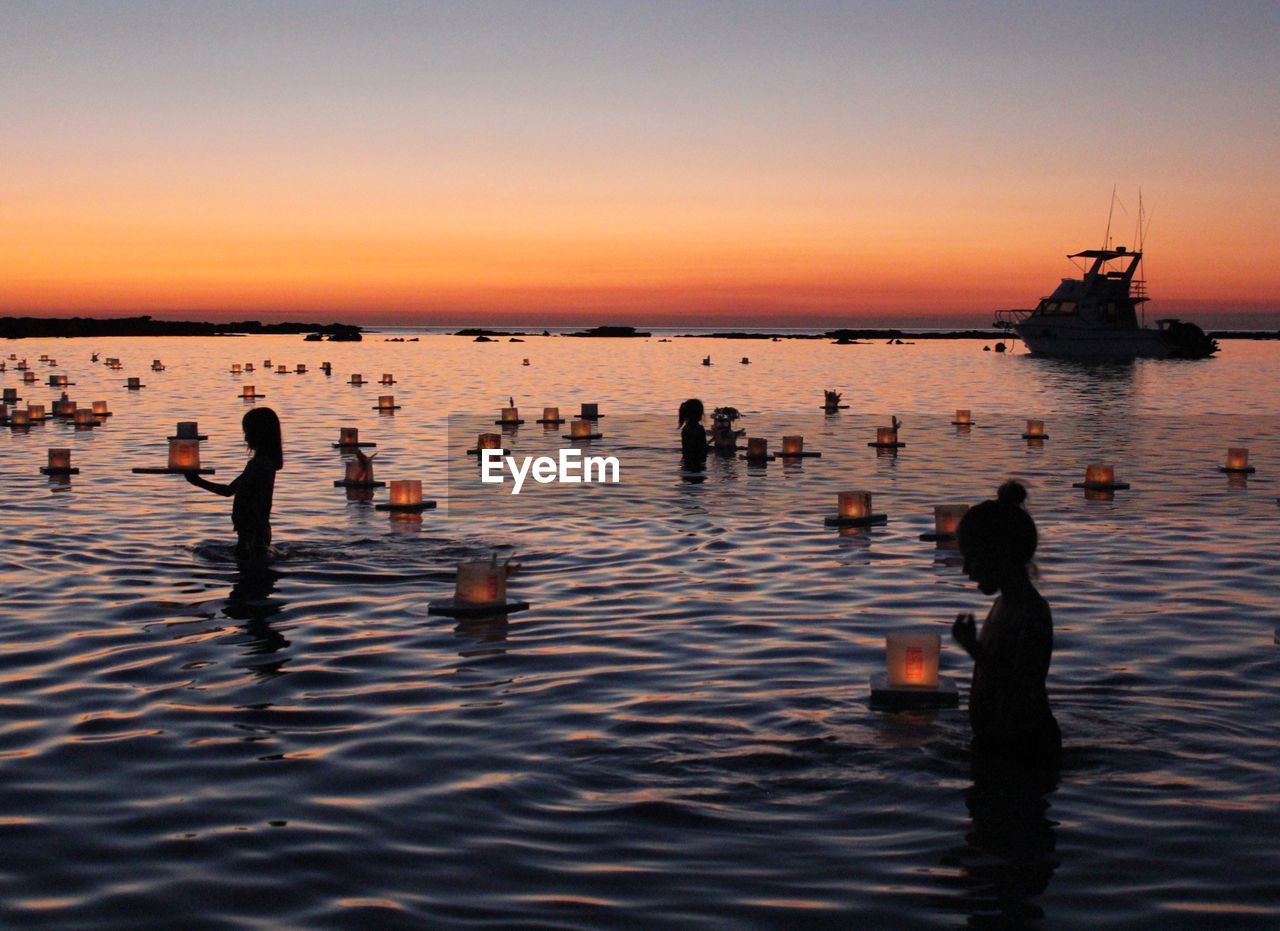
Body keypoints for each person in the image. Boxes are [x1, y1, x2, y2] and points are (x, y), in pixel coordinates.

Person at [951, 480, 1060, 768]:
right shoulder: (1002, 606)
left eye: (971, 559)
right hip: (996, 746)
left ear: (1001, 555)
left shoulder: (1033, 613)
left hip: (1027, 753)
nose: (965, 570)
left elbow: (1023, 688)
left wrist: (974, 649)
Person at [187, 407, 283, 561]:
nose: (245, 438)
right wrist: (197, 481)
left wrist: (254, 534)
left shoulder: (263, 465)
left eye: (247, 432)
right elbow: (229, 490)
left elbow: (259, 503)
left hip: (253, 534)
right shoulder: (258, 464)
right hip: (250, 533)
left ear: (260, 434)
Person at [678, 398, 707, 466]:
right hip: (697, 462)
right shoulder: (699, 428)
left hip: (687, 461)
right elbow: (701, 449)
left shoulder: (685, 428)